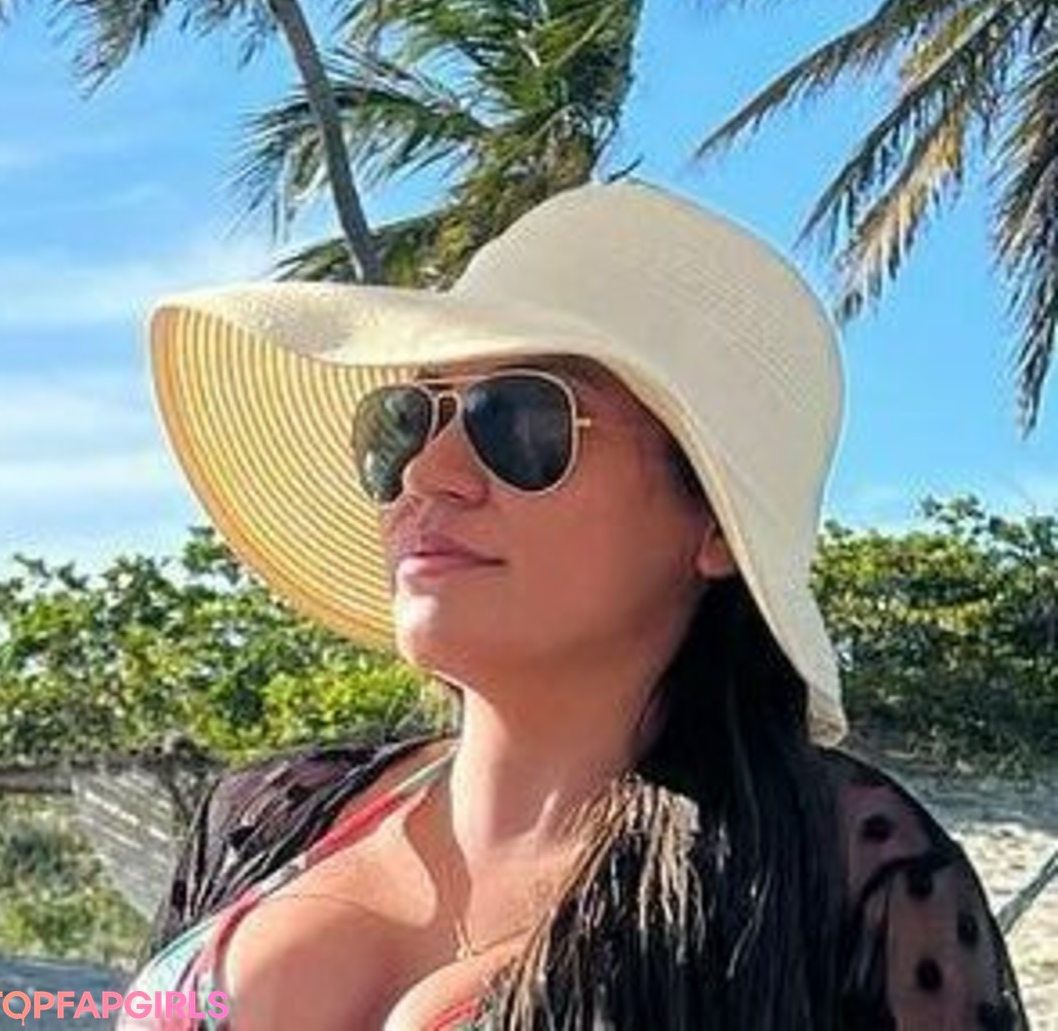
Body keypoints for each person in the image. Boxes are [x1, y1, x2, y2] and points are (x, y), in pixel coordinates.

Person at [128, 181, 1027, 1030]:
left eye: (520, 421)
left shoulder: (844, 871)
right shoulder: (267, 812)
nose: (427, 473)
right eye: (407, 421)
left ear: (716, 526)